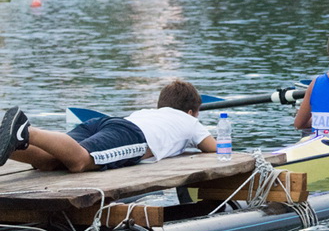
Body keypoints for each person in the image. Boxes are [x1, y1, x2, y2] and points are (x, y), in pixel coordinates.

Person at [0, 80, 216, 173]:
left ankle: (10, 141)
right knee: (80, 162)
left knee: (51, 161)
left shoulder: (151, 113)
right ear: (191, 112)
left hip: (106, 122)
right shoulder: (190, 121)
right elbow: (215, 148)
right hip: (133, 135)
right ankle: (26, 131)